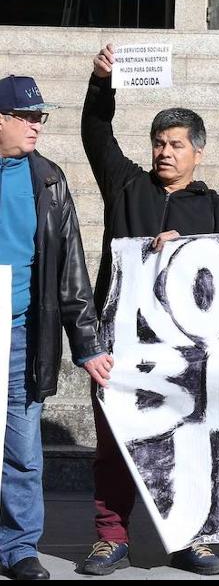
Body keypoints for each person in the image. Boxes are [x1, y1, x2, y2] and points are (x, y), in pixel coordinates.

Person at [75, 44, 219, 577]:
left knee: (187, 443)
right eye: (158, 143)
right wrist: (103, 83)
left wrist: (189, 242)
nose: (164, 152)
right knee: (114, 448)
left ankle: (189, 538)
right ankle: (110, 540)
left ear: (197, 152)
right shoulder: (126, 186)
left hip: (183, 351)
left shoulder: (216, 210)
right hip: (121, 343)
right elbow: (95, 134)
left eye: (175, 144)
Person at [0, 75, 111, 581]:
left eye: (40, 117)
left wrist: (87, 344)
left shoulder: (48, 179)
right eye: (25, 117)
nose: (35, 126)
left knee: (22, 449)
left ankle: (19, 548)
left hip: (23, 332)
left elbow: (71, 269)